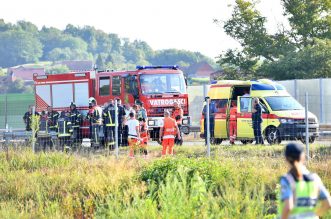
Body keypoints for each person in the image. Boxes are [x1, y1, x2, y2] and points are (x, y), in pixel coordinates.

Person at [279, 142, 331, 219]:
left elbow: (288, 207)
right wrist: (315, 214)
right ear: (303, 157)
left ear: (286, 159)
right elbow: (328, 204)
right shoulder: (315, 178)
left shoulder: (287, 179)